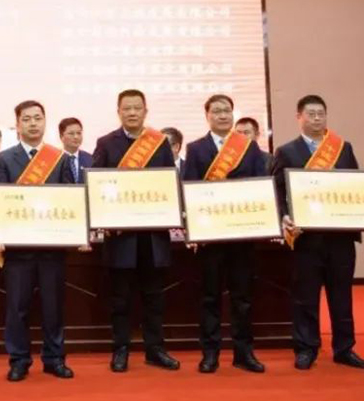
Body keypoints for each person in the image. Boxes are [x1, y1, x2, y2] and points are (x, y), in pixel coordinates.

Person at [272, 94, 364, 370]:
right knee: (306, 296)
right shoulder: (287, 151)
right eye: (310, 114)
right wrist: (284, 216)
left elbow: (353, 187)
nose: (316, 119)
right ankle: (306, 348)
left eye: (320, 114)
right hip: (306, 238)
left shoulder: (342, 148)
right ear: (299, 117)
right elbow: (277, 191)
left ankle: (344, 348)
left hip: (339, 237)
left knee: (341, 295)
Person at [93, 90, 180, 372]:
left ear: (145, 111)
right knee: (121, 299)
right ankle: (121, 350)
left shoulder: (159, 143)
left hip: (153, 236)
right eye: (127, 108)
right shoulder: (106, 143)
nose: (132, 113)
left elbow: (169, 184)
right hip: (121, 237)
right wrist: (106, 217)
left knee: (154, 297)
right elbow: (96, 186)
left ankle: (155, 349)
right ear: (118, 111)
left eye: (137, 108)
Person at [0, 100, 75, 382]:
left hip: (52, 248)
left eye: (38, 118)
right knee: (17, 308)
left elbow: (70, 198)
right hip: (19, 250)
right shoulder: (4, 159)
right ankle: (19, 360)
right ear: (17, 125)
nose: (33, 123)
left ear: (45, 122)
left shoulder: (59, 158)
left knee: (53, 307)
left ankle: (54, 359)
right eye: (26, 119)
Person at [184, 94, 267, 374]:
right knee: (210, 297)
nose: (222, 115)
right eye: (217, 111)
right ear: (207, 115)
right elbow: (189, 188)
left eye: (227, 111)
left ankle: (244, 353)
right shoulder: (196, 149)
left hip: (242, 236)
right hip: (210, 238)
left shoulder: (248, 147)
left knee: (243, 298)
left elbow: (260, 184)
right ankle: (210, 354)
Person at [59, 117, 93, 184]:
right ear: (61, 136)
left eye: (79, 133)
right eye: (71, 133)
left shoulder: (90, 159)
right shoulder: (56, 160)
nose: (76, 137)